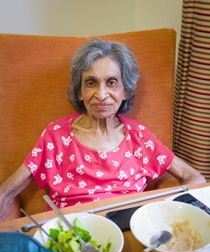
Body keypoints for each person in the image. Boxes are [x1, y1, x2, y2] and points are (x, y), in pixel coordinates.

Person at [0, 38, 206, 221]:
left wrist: (163, 211)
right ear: (80, 92)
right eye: (91, 83)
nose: (101, 94)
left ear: (125, 91)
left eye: (112, 82)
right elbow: (7, 190)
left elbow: (194, 177)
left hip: (130, 228)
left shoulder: (139, 136)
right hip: (73, 231)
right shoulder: (56, 134)